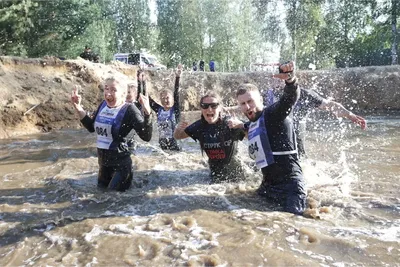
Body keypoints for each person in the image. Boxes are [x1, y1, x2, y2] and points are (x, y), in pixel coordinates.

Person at [234, 61, 306, 215]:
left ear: (260, 99)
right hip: (267, 187)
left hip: (290, 187)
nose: (247, 107)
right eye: (243, 104)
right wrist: (237, 125)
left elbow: (289, 98)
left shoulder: (273, 114)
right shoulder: (252, 124)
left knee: (294, 226)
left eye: (250, 101)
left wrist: (290, 80)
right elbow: (246, 127)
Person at [70, 77, 153, 191]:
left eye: (114, 90)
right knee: (100, 199)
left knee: (112, 199)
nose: (108, 93)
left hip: (121, 167)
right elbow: (91, 127)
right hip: (103, 165)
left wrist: (148, 114)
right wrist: (78, 107)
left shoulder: (130, 110)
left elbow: (146, 136)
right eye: (106, 89)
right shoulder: (103, 105)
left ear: (123, 93)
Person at [262, 81, 367, 157]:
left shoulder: (305, 94)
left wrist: (350, 115)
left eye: (283, 76)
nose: (279, 80)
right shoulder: (266, 96)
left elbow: (329, 105)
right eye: (276, 77)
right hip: (272, 146)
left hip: (297, 145)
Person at [174, 91, 246, 183]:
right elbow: (178, 136)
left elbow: (253, 135)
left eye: (214, 105)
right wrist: (177, 129)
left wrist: (241, 125)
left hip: (237, 178)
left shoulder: (230, 123)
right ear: (201, 108)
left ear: (220, 108)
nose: (209, 109)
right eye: (205, 106)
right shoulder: (199, 126)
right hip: (214, 176)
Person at [137, 64, 182, 151]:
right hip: (162, 144)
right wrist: (142, 81)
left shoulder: (175, 110)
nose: (165, 100)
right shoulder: (159, 110)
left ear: (172, 99)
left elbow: (176, 93)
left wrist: (177, 77)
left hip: (175, 146)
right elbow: (146, 98)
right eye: (163, 98)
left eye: (167, 98)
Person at [125, 82, 142, 152]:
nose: (127, 94)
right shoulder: (121, 104)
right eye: (126, 92)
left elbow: (141, 93)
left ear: (135, 94)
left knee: (131, 155)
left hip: (132, 139)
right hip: (122, 136)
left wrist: (140, 81)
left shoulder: (137, 105)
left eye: (129, 92)